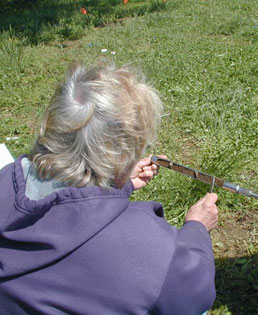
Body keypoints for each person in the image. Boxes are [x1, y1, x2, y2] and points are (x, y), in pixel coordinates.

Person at [0, 61, 219, 314]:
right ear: (125, 153)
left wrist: (119, 185)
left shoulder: (8, 180)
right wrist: (196, 229)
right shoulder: (151, 251)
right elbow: (193, 298)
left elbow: (66, 210)